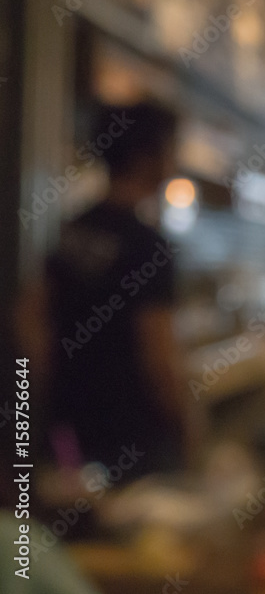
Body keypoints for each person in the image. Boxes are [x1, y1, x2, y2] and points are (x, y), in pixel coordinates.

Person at [19, 101, 193, 477]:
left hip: (68, 425)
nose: (174, 163)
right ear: (147, 158)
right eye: (170, 150)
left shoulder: (73, 229)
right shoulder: (149, 246)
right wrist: (188, 427)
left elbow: (30, 318)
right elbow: (158, 354)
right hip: (129, 433)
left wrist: (43, 393)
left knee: (75, 521)